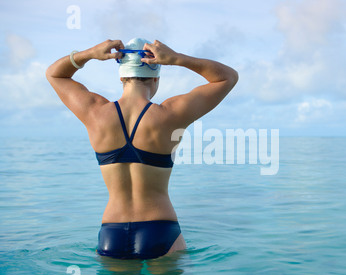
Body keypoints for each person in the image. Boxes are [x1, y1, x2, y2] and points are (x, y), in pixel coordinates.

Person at [46, 38, 238, 259]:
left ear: (122, 77)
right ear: (156, 77)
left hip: (112, 232)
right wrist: (177, 59)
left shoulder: (94, 113)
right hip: (160, 228)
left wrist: (89, 54)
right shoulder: (171, 114)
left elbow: (54, 74)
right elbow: (227, 77)